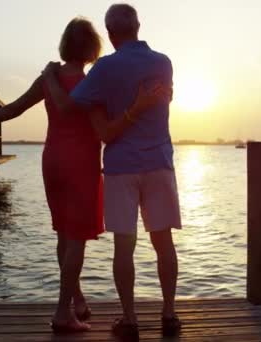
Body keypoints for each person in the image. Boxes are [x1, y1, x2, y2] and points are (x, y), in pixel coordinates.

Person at [0, 17, 167, 333]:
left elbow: (14, 108)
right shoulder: (93, 82)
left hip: (52, 160)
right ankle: (63, 313)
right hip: (82, 164)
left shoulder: (49, 78)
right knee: (76, 238)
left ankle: (77, 300)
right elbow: (106, 128)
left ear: (65, 44)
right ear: (93, 47)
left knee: (63, 234)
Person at [42, 3, 182, 337]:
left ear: (110, 32)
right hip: (159, 162)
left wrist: (49, 75)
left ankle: (130, 320)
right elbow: (165, 99)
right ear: (138, 26)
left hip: (121, 166)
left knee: (125, 245)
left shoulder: (104, 69)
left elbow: (68, 104)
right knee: (164, 242)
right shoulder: (163, 63)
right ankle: (169, 314)